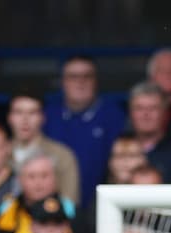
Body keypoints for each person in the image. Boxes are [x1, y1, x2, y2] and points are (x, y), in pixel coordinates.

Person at [42, 55, 126, 209]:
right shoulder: (48, 116)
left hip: (102, 207)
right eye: (73, 77)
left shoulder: (113, 116)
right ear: (63, 82)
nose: (80, 82)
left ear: (96, 81)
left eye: (87, 76)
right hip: (55, 212)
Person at [7, 91, 80, 205]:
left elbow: (70, 205)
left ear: (42, 117)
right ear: (9, 117)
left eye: (32, 112)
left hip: (49, 220)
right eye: (18, 112)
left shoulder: (62, 155)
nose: (25, 119)